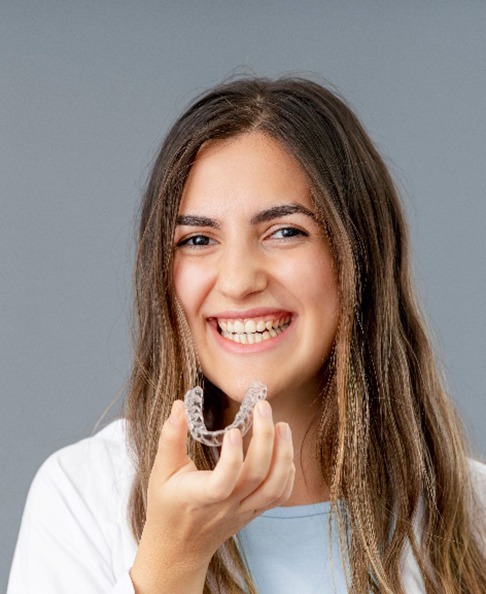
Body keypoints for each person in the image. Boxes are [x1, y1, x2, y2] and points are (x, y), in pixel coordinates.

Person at [8, 77, 486, 594]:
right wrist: (172, 561)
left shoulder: (475, 511)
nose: (237, 281)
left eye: (285, 232)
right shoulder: (82, 496)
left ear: (359, 256)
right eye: (197, 239)